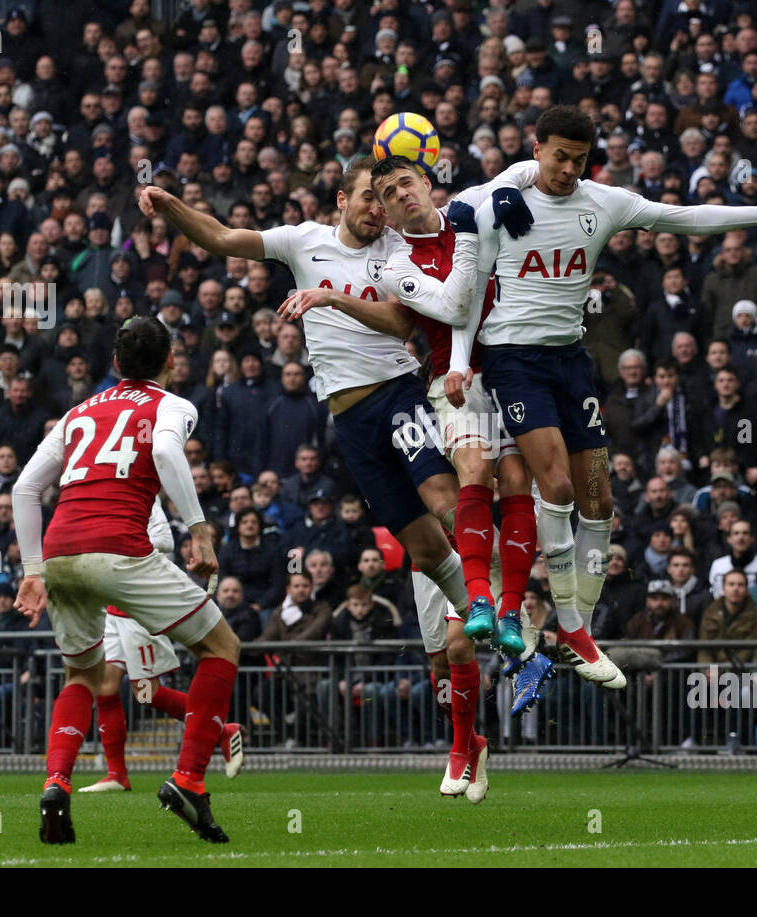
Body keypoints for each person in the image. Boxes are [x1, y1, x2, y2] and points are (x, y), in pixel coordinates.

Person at [140, 158, 529, 795]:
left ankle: (500, 608)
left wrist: (330, 297)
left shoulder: (394, 252)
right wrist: (167, 199)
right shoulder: (303, 241)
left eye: (387, 198)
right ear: (343, 198)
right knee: (428, 552)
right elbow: (218, 237)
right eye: (369, 199)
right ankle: (488, 640)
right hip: (347, 421)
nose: (379, 209)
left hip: (400, 395)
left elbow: (405, 324)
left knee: (444, 501)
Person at [447, 105, 757, 688]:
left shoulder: (605, 203)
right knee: (557, 487)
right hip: (514, 360)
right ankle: (554, 621)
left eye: (579, 159)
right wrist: (505, 183)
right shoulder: (504, 199)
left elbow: (688, 217)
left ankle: (578, 632)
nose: (567, 169)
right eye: (557, 156)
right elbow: (453, 213)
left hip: (571, 362)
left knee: (599, 501)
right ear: (537, 147)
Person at [12, 316, 242, 844]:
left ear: (115, 364)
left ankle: (56, 784)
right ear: (171, 362)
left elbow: (25, 488)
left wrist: (30, 570)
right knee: (221, 646)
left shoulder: (77, 413)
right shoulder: (172, 404)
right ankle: (188, 780)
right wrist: (199, 531)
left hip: (60, 553)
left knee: (81, 677)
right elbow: (164, 452)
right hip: (119, 549)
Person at [80, 499, 245, 793]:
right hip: (111, 603)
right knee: (105, 687)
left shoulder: (141, 491)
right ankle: (116, 774)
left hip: (138, 604)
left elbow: (164, 540)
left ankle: (223, 731)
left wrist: (113, 547)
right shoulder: (100, 490)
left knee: (147, 693)